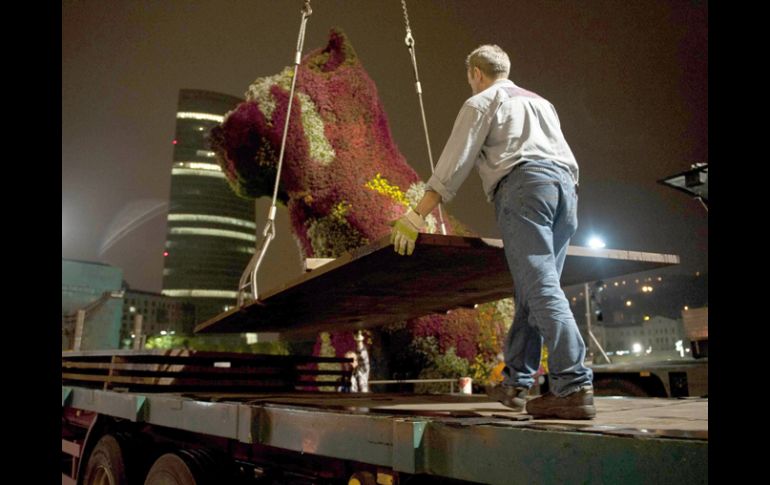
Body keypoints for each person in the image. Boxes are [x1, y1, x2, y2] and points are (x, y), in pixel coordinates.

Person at [391, 45, 595, 419]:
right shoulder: (542, 103)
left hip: (525, 189)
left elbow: (453, 164)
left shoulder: (483, 101)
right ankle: (517, 384)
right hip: (566, 192)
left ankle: (574, 385)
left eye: (469, 77)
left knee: (541, 288)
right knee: (532, 290)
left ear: (475, 73)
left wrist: (416, 215)